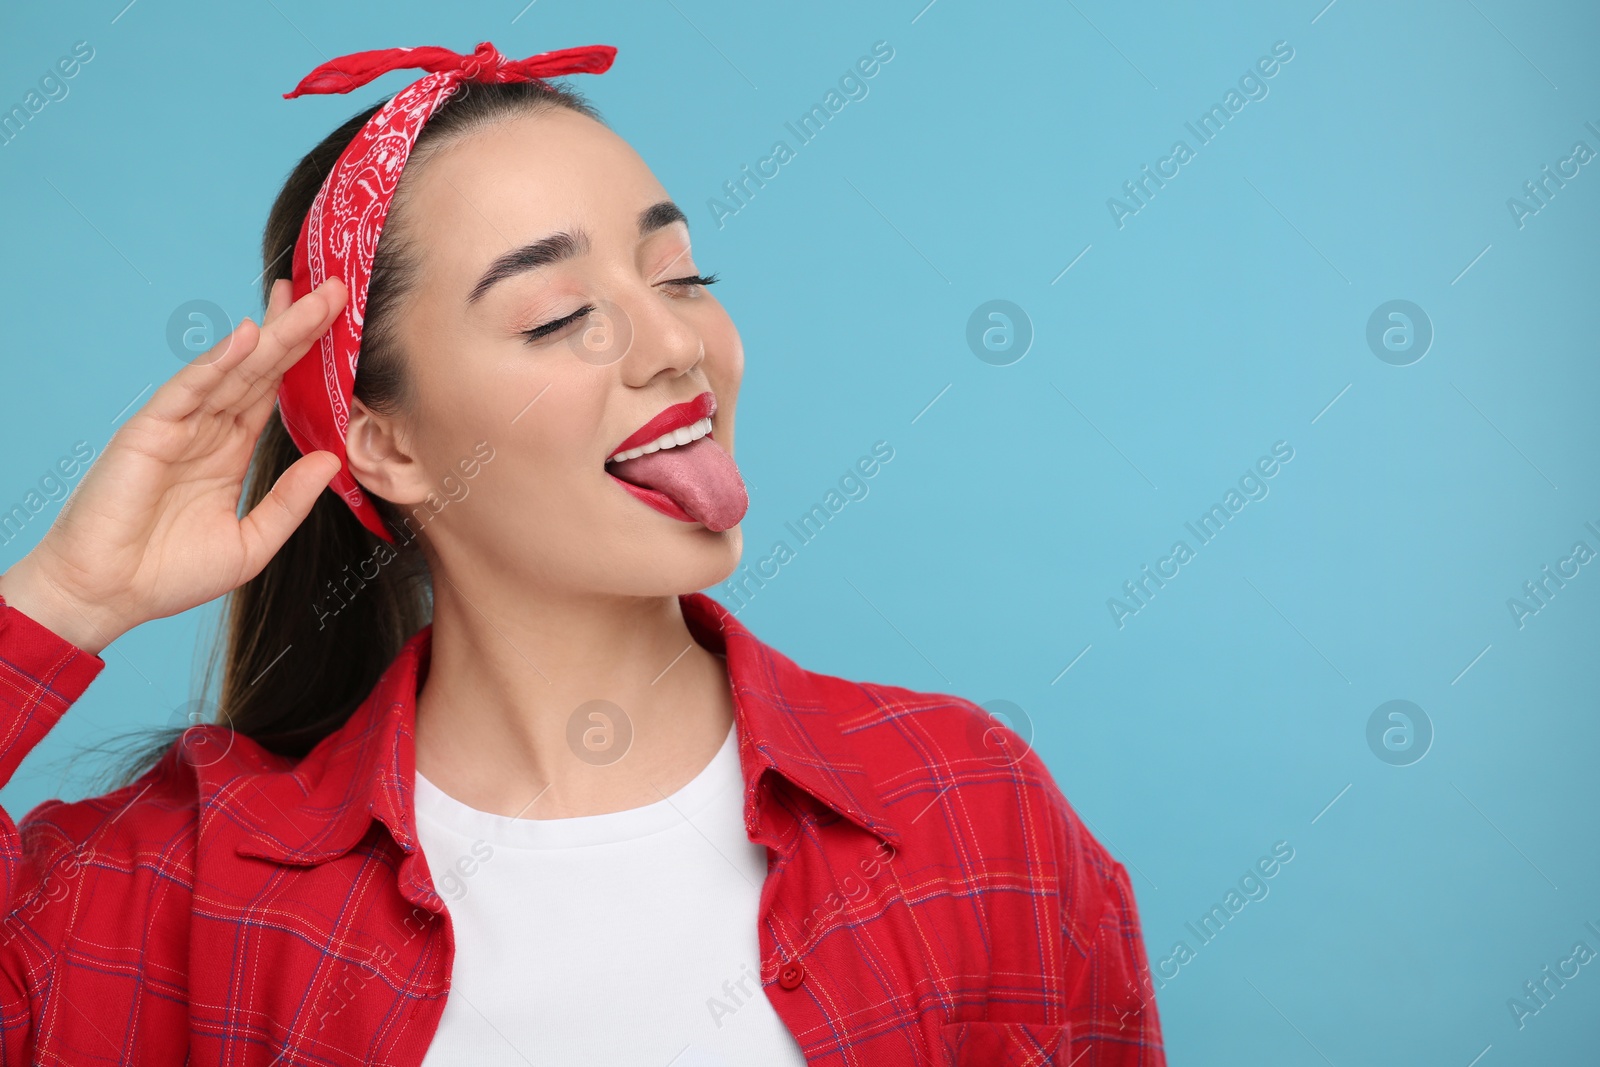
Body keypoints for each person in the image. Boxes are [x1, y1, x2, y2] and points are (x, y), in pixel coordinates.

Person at [0, 39, 1165, 1065]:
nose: (674, 342)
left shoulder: (968, 810)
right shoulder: (181, 887)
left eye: (681, 276)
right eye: (559, 316)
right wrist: (59, 600)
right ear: (386, 444)